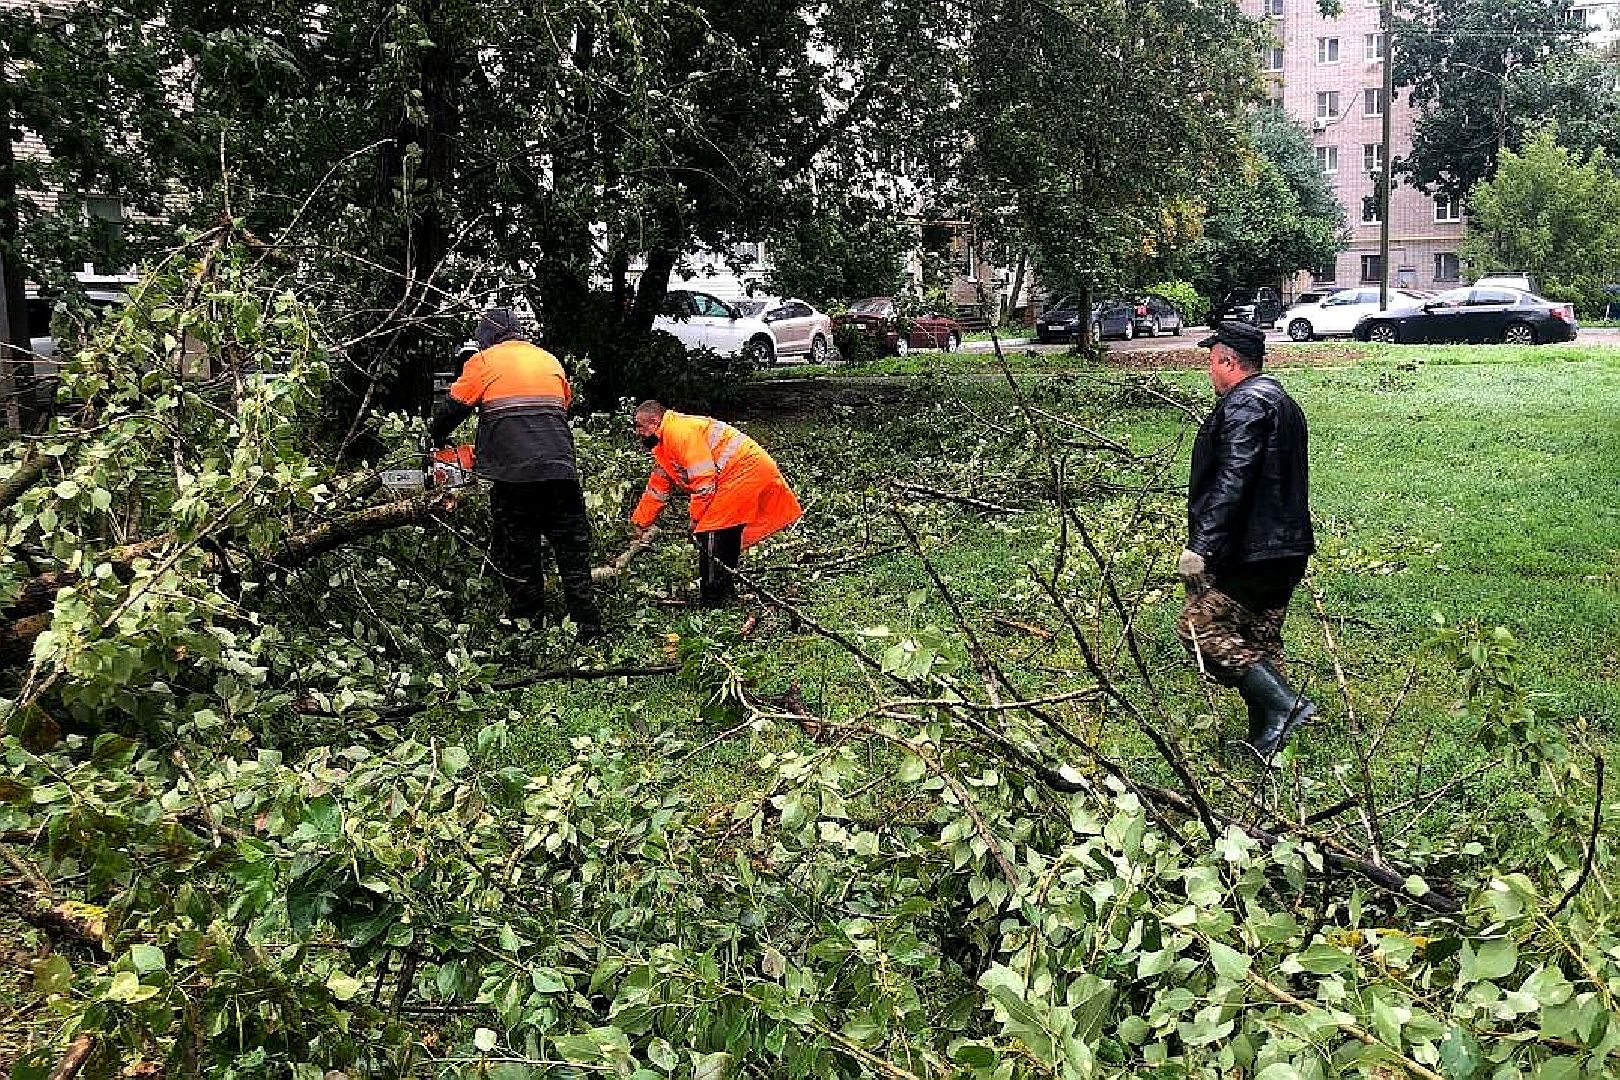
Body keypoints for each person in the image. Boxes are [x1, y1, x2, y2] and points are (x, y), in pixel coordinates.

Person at [1176, 320, 1316, 758]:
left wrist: (1201, 546)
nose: (1209, 372)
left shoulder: (1243, 405)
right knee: (1259, 639)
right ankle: (1267, 744)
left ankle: (1286, 706)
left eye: (1211, 362)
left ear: (1227, 361)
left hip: (1252, 550)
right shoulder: (1283, 402)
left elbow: (1232, 480)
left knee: (1198, 627)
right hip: (1287, 548)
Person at [429, 308, 604, 640]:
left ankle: (528, 622)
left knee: (519, 550)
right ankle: (588, 626)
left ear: (486, 338)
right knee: (572, 550)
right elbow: (560, 406)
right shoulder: (548, 360)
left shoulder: (482, 362)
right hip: (560, 471)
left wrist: (432, 440)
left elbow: (451, 411)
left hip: (514, 479)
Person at [629, 400, 801, 607]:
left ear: (654, 421)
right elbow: (658, 488)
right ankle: (724, 595)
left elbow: (703, 481)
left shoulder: (678, 432)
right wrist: (641, 522)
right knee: (723, 530)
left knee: (711, 530)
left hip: (744, 471)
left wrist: (696, 519)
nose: (637, 431)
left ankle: (714, 600)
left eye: (639, 425)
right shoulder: (666, 442)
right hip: (740, 473)